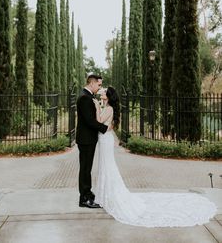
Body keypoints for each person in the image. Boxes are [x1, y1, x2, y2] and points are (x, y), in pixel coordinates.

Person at [93, 86, 217, 227]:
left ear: (107, 95)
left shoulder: (108, 108)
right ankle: (105, 194)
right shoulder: (108, 106)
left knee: (107, 165)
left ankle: (109, 194)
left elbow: (99, 120)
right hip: (105, 139)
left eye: (103, 91)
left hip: (105, 139)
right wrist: (100, 105)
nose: (101, 92)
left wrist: (96, 106)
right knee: (106, 165)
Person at [76, 74, 111, 209]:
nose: (100, 87)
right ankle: (84, 198)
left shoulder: (88, 96)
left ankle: (87, 195)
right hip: (86, 140)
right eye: (99, 85)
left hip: (88, 139)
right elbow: (90, 121)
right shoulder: (85, 98)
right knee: (85, 169)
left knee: (87, 168)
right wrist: (105, 128)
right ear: (92, 83)